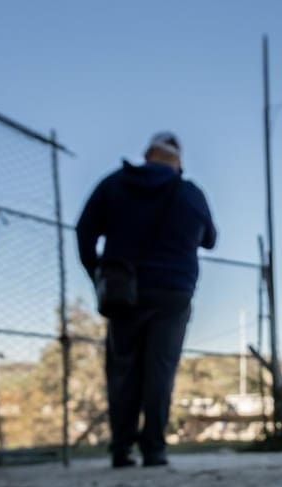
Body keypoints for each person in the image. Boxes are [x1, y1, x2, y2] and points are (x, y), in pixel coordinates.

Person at [76, 132, 217, 468]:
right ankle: (154, 449)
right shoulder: (190, 193)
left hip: (124, 288)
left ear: (148, 153)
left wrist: (97, 273)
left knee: (123, 368)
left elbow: (84, 230)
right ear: (178, 161)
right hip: (174, 292)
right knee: (161, 369)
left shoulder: (115, 184)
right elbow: (210, 239)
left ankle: (122, 449)